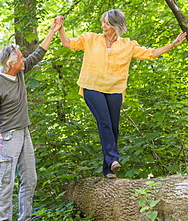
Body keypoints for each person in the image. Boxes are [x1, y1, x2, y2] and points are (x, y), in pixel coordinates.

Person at [55, 10, 187, 179]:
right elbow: (67, 43)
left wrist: (172, 45)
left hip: (115, 90)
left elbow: (150, 53)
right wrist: (60, 28)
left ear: (117, 26)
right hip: (92, 86)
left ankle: (108, 170)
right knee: (104, 122)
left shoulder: (128, 45)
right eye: (103, 22)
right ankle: (113, 159)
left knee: (113, 127)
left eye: (108, 23)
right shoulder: (90, 39)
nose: (104, 25)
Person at [0, 19, 62, 221]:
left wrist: (53, 31)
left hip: (24, 132)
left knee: (30, 178)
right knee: (7, 181)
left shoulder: (20, 71)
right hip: (8, 136)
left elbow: (38, 54)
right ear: (11, 63)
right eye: (20, 58)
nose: (24, 60)